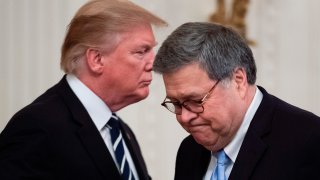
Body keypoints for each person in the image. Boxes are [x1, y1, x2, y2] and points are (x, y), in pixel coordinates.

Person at [0, 0, 166, 179]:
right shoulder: (37, 126)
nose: (153, 64)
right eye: (141, 51)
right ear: (97, 59)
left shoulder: (120, 131)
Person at [153, 22, 320, 180]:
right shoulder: (189, 151)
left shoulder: (309, 141)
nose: (184, 118)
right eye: (176, 104)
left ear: (238, 81)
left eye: (196, 101)